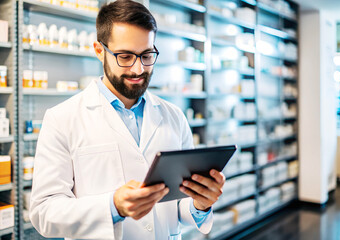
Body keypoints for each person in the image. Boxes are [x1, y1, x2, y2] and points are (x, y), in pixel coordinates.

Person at [30, 1, 226, 239]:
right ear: (100, 50)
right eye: (125, 56)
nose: (137, 69)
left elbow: (180, 206)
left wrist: (200, 203)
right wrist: (112, 206)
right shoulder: (62, 119)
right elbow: (44, 212)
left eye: (146, 55)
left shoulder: (174, 116)